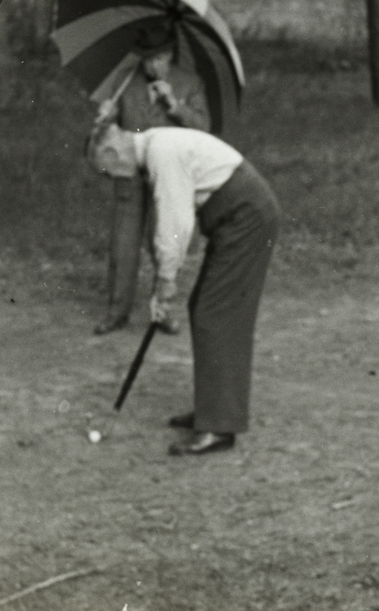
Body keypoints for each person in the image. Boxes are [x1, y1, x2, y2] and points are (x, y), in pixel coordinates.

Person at [87, 122, 279, 455]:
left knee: (215, 314)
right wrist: (166, 278)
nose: (116, 179)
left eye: (108, 172)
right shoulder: (157, 146)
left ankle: (219, 426)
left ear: (111, 153)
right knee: (203, 308)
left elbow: (175, 223)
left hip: (246, 218)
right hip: (235, 218)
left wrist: (165, 280)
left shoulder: (162, 152)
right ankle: (212, 409)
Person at [92, 25, 211, 336]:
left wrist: (175, 106)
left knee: (165, 242)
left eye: (157, 59)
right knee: (123, 244)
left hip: (168, 176)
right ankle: (117, 312)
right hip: (130, 173)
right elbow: (108, 129)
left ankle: (163, 312)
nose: (151, 66)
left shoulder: (188, 83)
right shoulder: (126, 80)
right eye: (146, 59)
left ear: (169, 55)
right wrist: (105, 117)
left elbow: (204, 130)